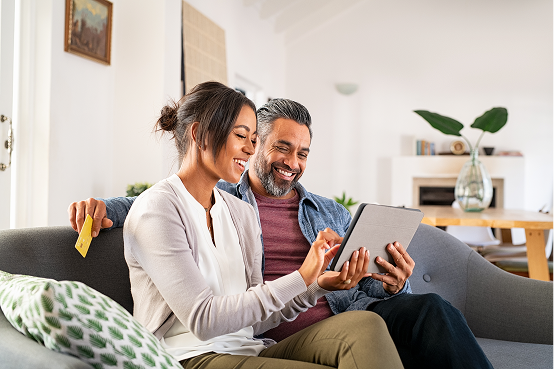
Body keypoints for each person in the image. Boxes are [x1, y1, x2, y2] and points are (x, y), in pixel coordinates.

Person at [69, 97, 493, 369]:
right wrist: (105, 208)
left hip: (305, 323)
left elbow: (342, 285)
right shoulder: (191, 203)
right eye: (271, 144)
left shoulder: (248, 213)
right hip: (209, 347)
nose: (291, 161)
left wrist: (378, 284)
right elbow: (161, 206)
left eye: (303, 152)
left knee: (410, 314)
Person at [119, 81, 403, 368]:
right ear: (199, 134)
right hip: (188, 356)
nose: (250, 149)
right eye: (241, 135)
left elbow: (258, 319)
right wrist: (301, 276)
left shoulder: (240, 213)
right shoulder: (157, 209)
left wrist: (318, 285)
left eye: (254, 138)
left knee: (365, 325)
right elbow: (202, 320)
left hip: (248, 347)